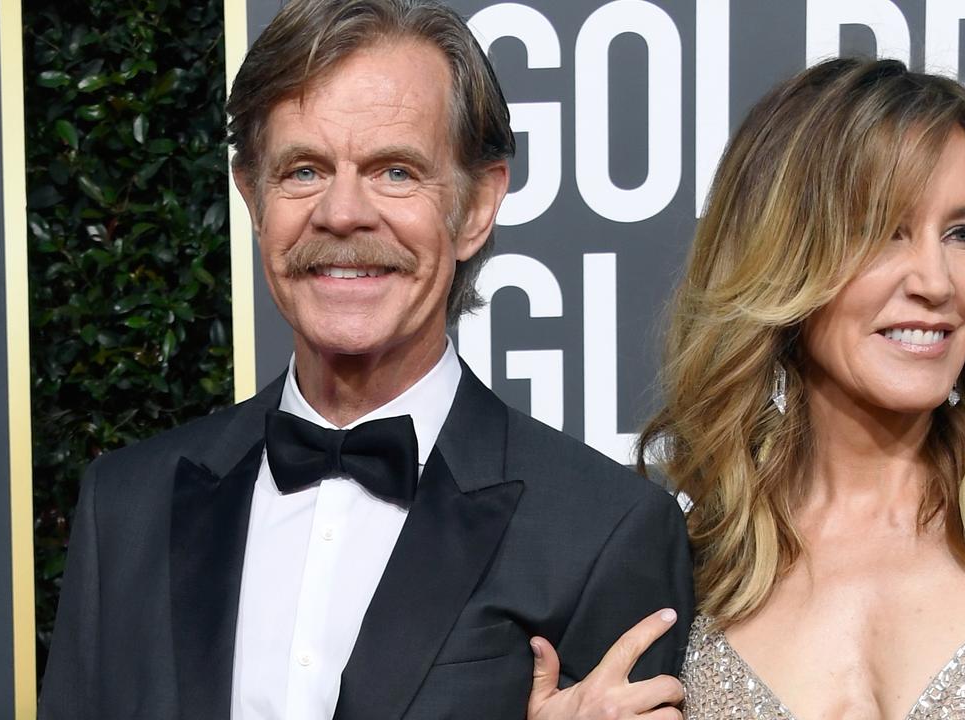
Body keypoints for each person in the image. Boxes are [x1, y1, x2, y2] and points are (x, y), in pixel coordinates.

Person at [37, 1, 693, 717]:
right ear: (253, 197)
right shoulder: (126, 508)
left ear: (476, 206)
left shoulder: (604, 532)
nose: (342, 212)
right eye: (305, 171)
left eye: (396, 172)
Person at [530, 57, 965, 719]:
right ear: (782, 258)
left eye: (962, 233)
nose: (936, 281)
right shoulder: (679, 575)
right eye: (882, 231)